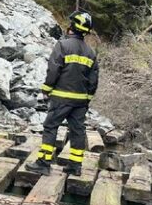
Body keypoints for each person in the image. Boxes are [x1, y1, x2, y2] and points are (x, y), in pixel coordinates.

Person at [26, 11, 99, 177]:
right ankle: (75, 166)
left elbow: (53, 70)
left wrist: (46, 89)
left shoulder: (63, 46)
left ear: (72, 26)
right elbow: (93, 80)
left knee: (50, 126)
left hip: (61, 98)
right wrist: (87, 99)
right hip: (80, 102)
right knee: (77, 131)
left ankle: (43, 163)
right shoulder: (90, 52)